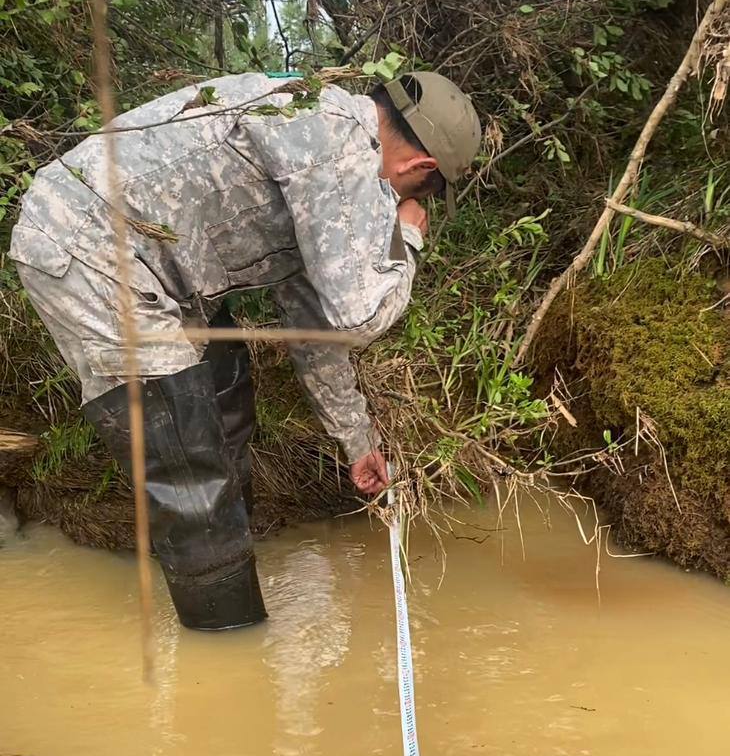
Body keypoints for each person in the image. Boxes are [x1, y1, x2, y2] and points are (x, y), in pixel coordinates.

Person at [10, 71, 481, 631]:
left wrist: (357, 442)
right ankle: (228, 641)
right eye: (417, 195)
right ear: (419, 169)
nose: (401, 201)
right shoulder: (338, 146)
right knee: (188, 461)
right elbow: (360, 318)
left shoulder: (322, 130)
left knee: (223, 390)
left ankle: (230, 569)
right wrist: (408, 236)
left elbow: (318, 326)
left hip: (155, 271)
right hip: (85, 248)